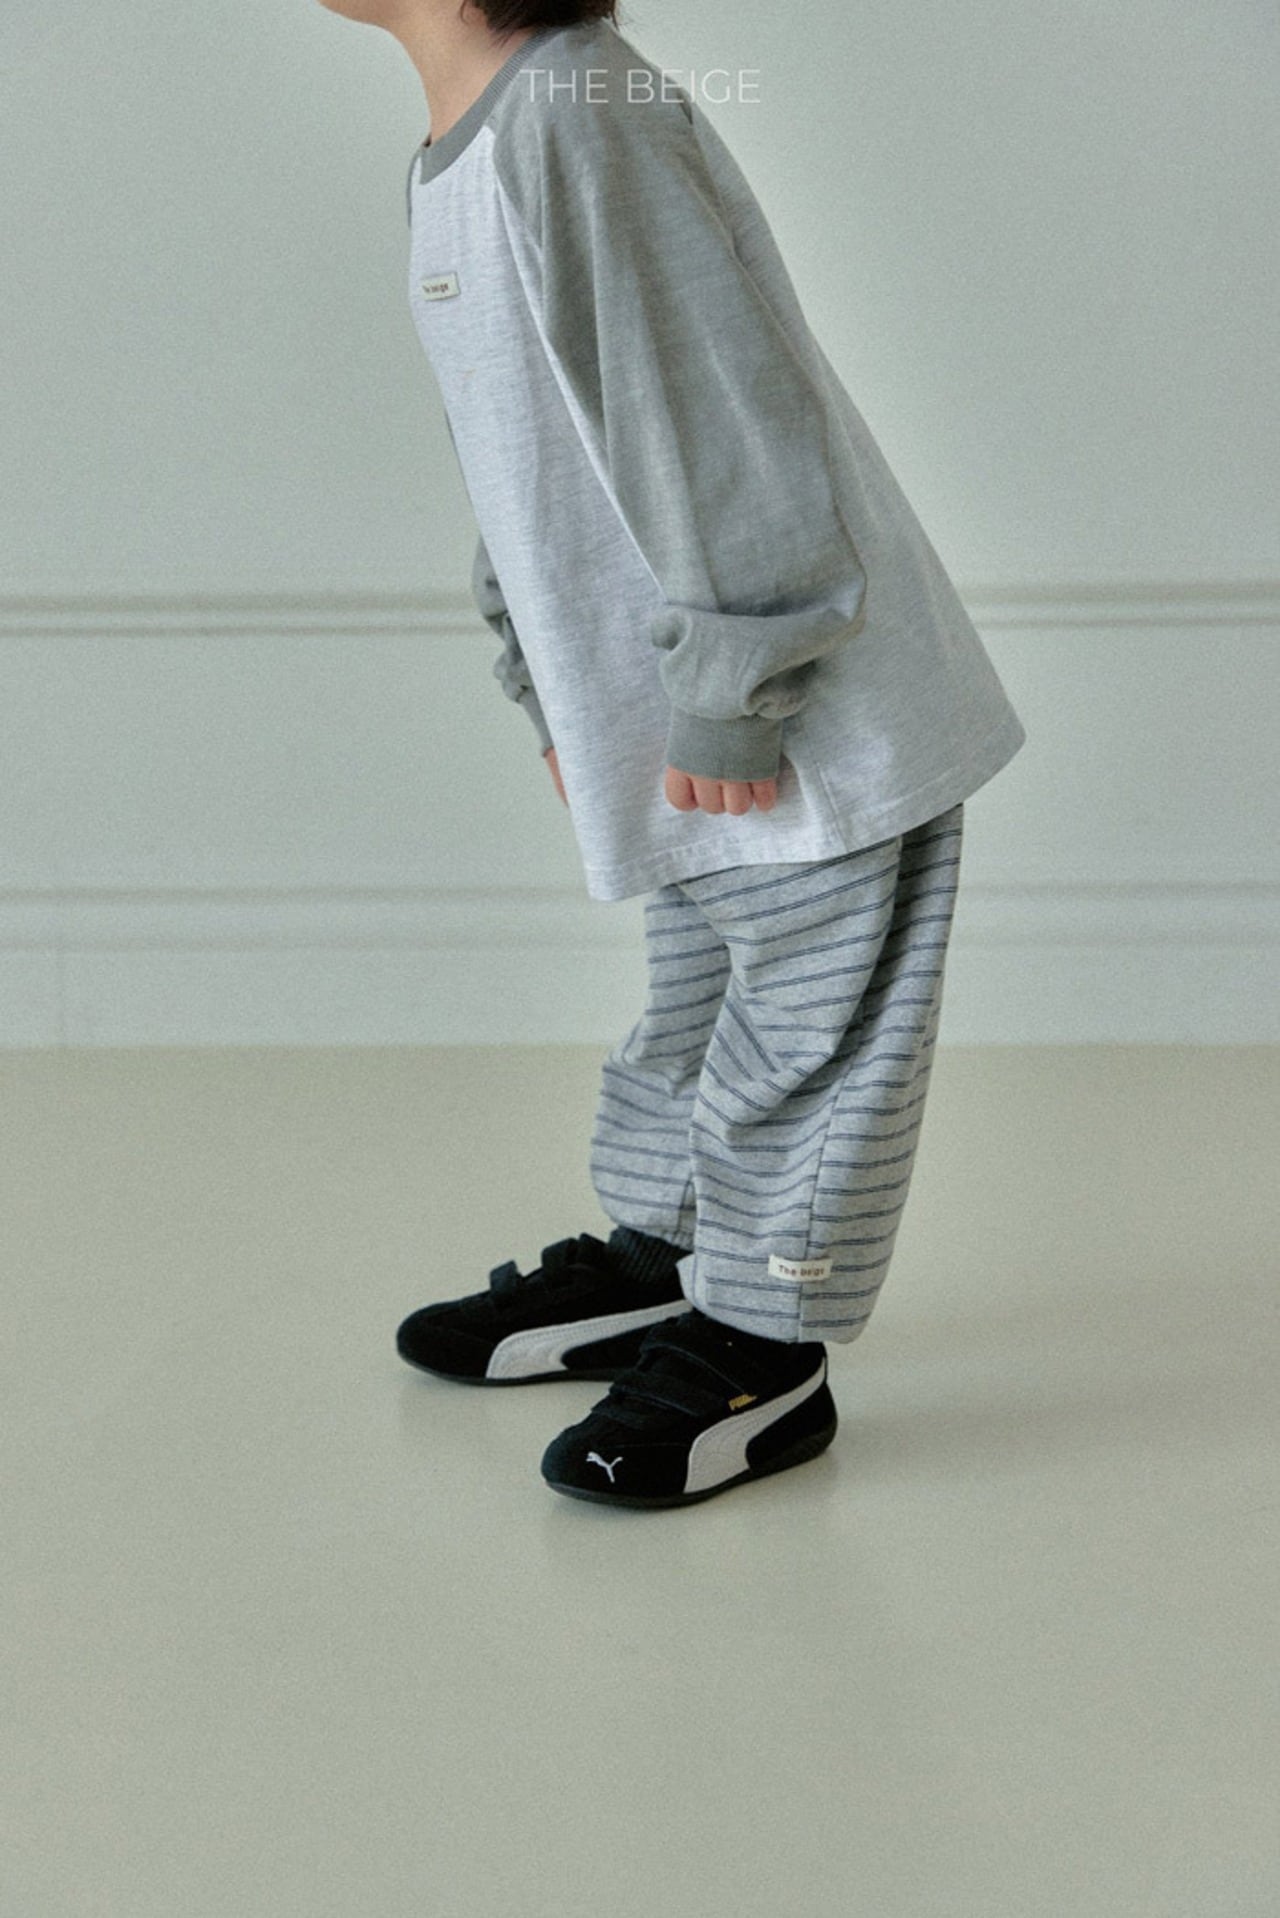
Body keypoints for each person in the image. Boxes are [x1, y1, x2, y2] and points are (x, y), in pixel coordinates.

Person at [316, 0, 1027, 1507]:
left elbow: (721, 404)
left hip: (792, 691)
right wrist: (549, 687)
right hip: (675, 688)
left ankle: (767, 1340)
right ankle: (667, 1258)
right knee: (699, 999)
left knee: (810, 1024)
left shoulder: (582, 108)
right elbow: (512, 454)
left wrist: (734, 674)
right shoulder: (463, 149)